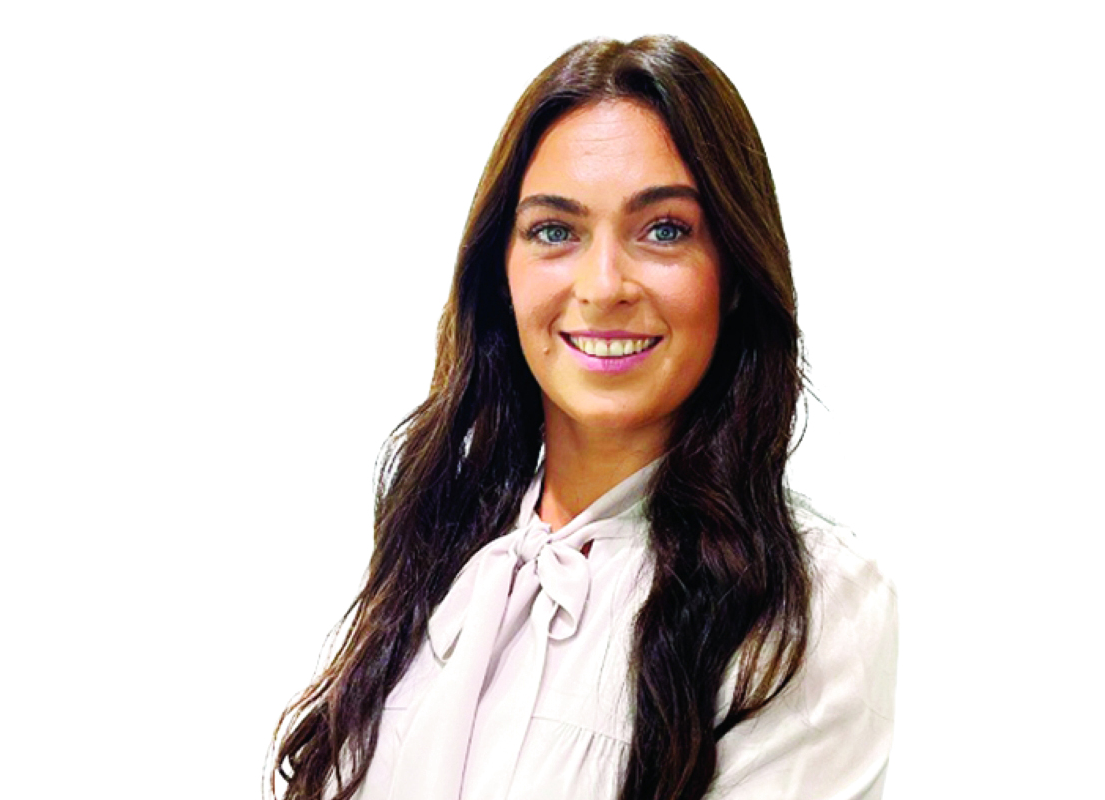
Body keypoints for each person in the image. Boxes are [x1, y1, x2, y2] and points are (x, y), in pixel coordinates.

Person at [271, 35, 897, 800]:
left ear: (733, 272)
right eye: (555, 231)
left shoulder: (811, 605)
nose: (603, 286)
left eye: (664, 229)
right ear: (500, 273)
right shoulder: (441, 540)